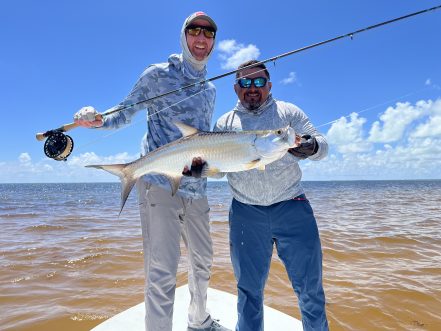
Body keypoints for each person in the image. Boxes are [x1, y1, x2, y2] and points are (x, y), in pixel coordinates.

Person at [73, 12, 230, 331]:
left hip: (196, 191)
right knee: (162, 271)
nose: (201, 39)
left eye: (208, 34)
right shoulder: (157, 75)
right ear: (183, 36)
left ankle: (198, 320)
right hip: (159, 184)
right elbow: (124, 111)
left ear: (213, 42)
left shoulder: (211, 91)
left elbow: (202, 140)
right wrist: (98, 117)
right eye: (194, 31)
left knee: (202, 263)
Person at [214, 60, 329, 331]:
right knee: (248, 292)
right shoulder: (225, 122)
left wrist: (312, 147)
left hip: (293, 207)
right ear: (236, 88)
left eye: (258, 82)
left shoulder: (288, 112)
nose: (252, 88)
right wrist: (200, 169)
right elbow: (218, 170)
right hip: (245, 212)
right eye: (245, 82)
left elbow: (322, 144)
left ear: (269, 85)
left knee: (310, 290)